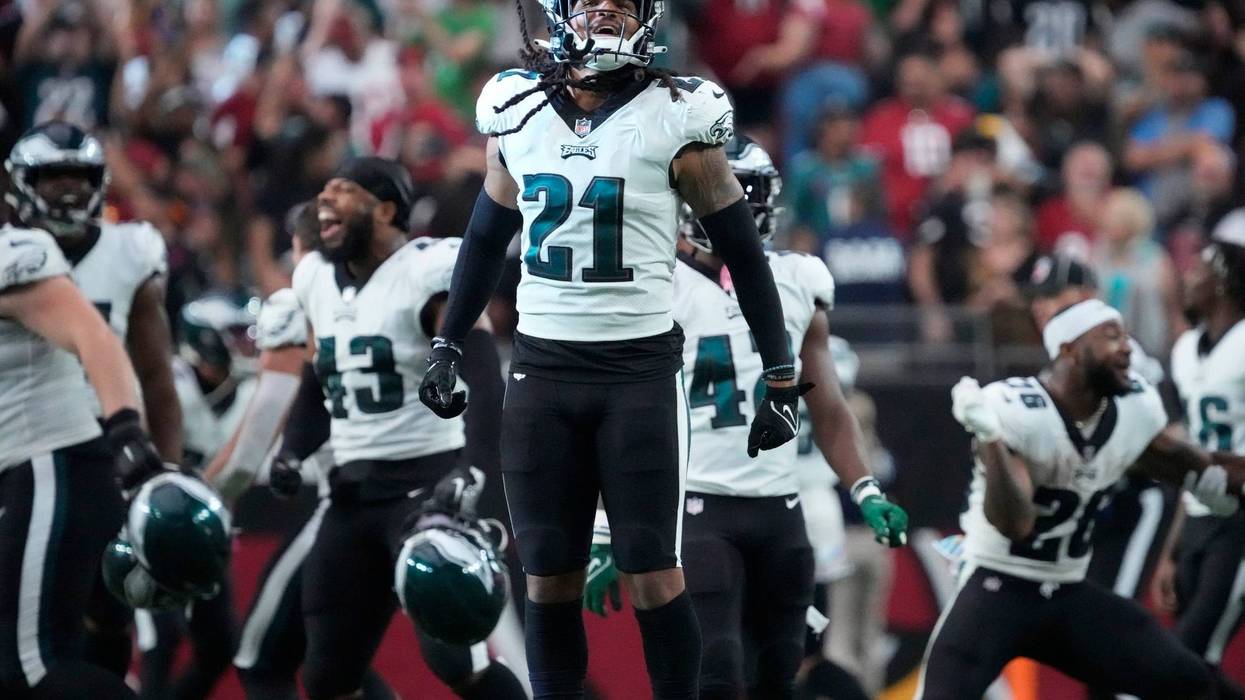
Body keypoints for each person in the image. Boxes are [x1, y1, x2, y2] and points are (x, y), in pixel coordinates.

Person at [419, 2, 808, 697]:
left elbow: (743, 257)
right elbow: (484, 240)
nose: (605, 7)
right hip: (541, 371)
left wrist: (779, 373)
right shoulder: (517, 109)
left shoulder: (677, 113)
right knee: (547, 576)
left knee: (653, 572)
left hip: (637, 373)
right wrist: (447, 342)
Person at [581, 137, 907, 698]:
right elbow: (615, 420)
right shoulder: (654, 284)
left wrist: (867, 487)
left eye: (750, 193)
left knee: (778, 680)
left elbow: (826, 406)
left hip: (783, 514)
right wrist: (607, 526)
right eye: (728, 191)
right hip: (697, 512)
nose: (741, 206)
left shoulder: (799, 280)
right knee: (716, 677)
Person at [278, 156, 524, 700]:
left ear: (387, 207)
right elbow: (322, 381)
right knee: (327, 675)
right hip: (350, 494)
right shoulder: (315, 279)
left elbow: (484, 380)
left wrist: (474, 474)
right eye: (323, 191)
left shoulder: (427, 270)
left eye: (343, 191)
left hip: (423, 488)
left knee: (457, 661)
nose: (326, 202)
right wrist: (293, 451)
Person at [916, 299, 1245, 699]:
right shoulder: (1016, 407)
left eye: (1125, 335)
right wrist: (991, 441)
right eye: (1111, 336)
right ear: (1068, 350)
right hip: (998, 584)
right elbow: (1015, 523)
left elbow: (1198, 469)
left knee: (1187, 679)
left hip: (1067, 588)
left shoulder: (1132, 410)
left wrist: (1220, 481)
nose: (1127, 346)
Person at [4, 119, 183, 678]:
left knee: (63, 643)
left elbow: (148, 371)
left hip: (84, 450)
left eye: (79, 176)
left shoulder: (117, 251)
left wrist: (158, 465)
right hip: (28, 455)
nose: (68, 189)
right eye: (51, 177)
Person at [199, 201, 397, 700]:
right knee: (335, 664)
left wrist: (207, 494)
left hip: (353, 504)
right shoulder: (396, 291)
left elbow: (268, 412)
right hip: (415, 495)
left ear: (301, 248)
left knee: (262, 657)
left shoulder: (299, 301)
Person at [1151, 210, 1245, 670]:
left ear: (1224, 281)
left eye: (1199, 270)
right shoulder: (1185, 350)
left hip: (1240, 516)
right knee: (1193, 662)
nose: (1187, 278)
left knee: (1189, 655)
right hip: (1199, 517)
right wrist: (1172, 547)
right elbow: (1189, 454)